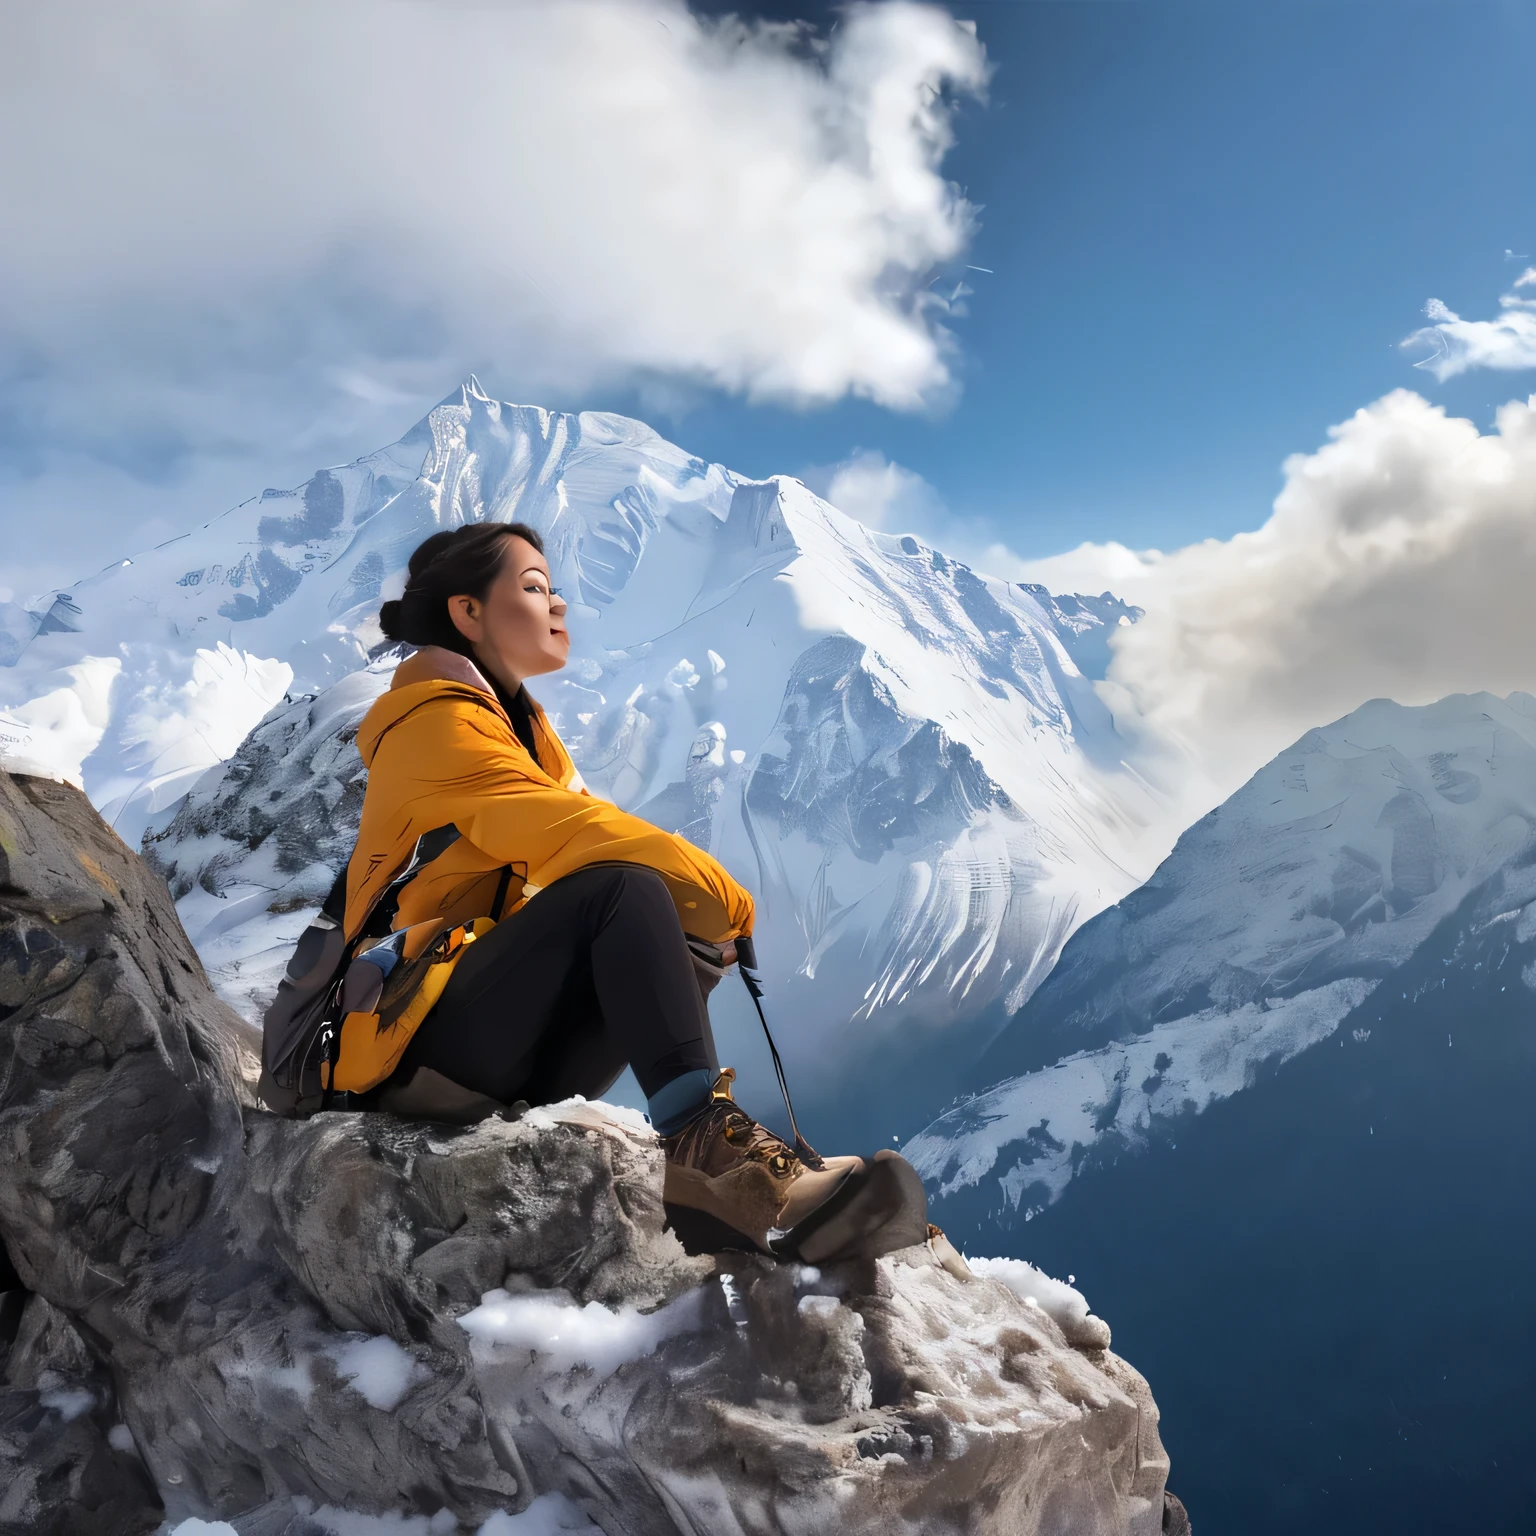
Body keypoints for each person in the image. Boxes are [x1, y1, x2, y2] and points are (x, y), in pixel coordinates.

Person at [338, 521, 925, 1263]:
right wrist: (715, 893)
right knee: (625, 890)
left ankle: (731, 1188)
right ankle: (707, 1155)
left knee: (663, 924)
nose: (558, 604)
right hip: (406, 1045)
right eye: (533, 587)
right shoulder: (437, 724)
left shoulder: (517, 728)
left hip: (477, 1042)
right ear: (468, 613)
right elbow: (565, 831)